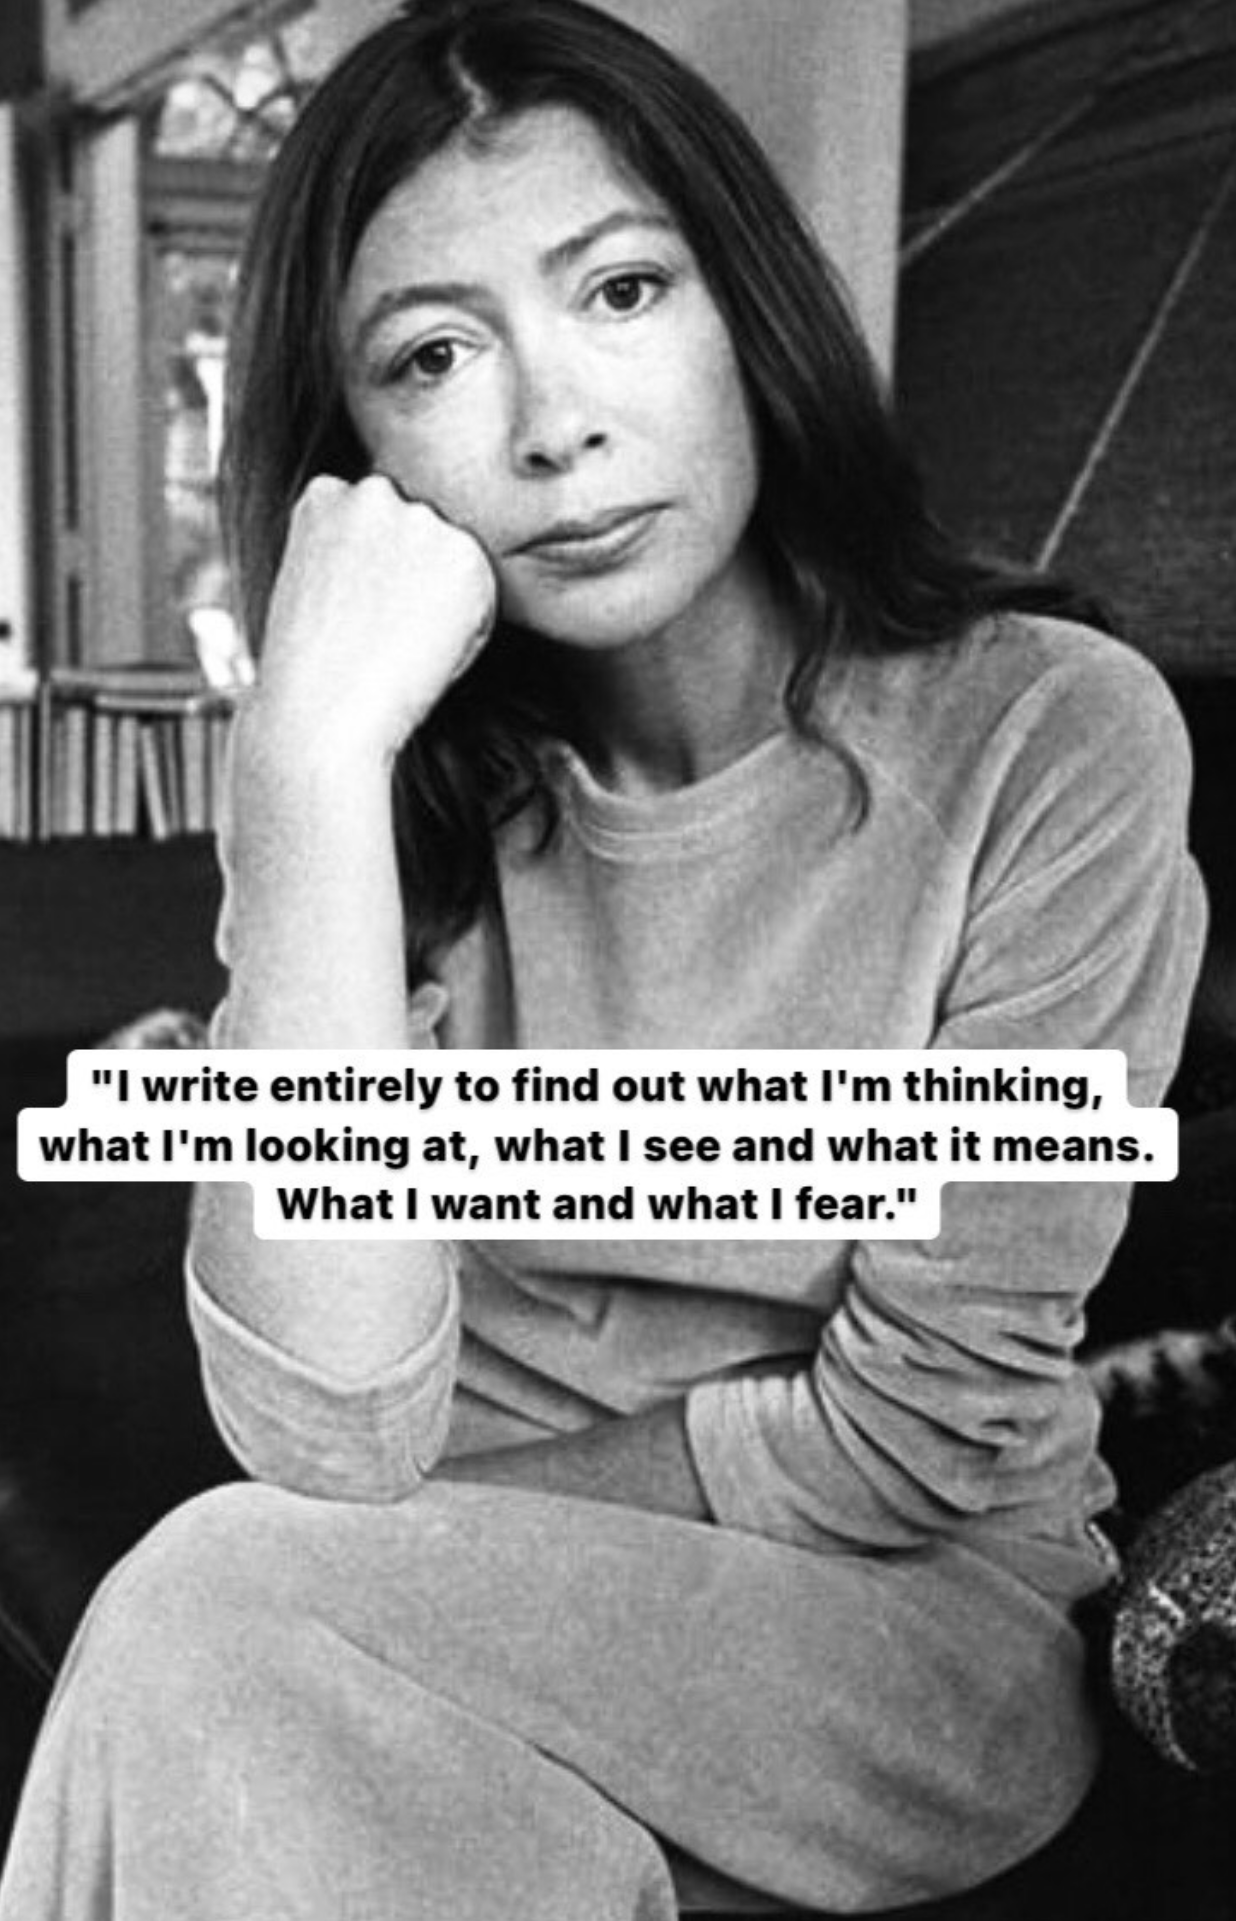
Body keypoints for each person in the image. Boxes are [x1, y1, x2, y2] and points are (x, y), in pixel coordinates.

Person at [0, 1, 1206, 1915]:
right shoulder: (370, 792)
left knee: (214, 1614)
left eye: (623, 291)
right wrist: (305, 771)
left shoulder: (1050, 735)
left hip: (892, 1636)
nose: (552, 426)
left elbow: (916, 1440)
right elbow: (326, 1424)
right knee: (257, 1689)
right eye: (436, 354)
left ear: (747, 310)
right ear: (358, 451)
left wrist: (393, 1557)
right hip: (416, 1614)